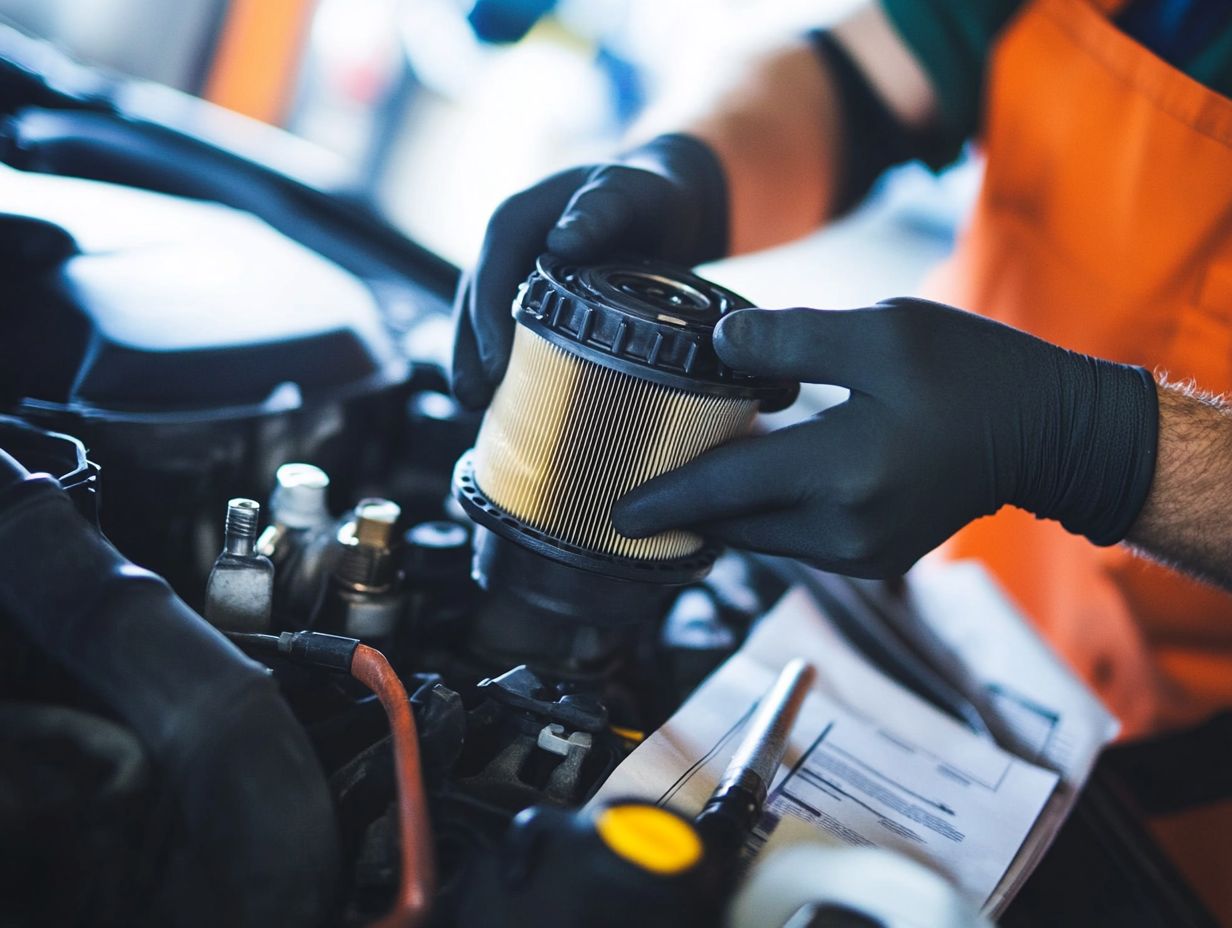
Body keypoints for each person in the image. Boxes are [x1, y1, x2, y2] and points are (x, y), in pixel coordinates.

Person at [451, 1, 1232, 910]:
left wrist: (1092, 444)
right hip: (936, 617)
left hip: (1182, 796)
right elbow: (860, 79)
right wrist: (690, 168)